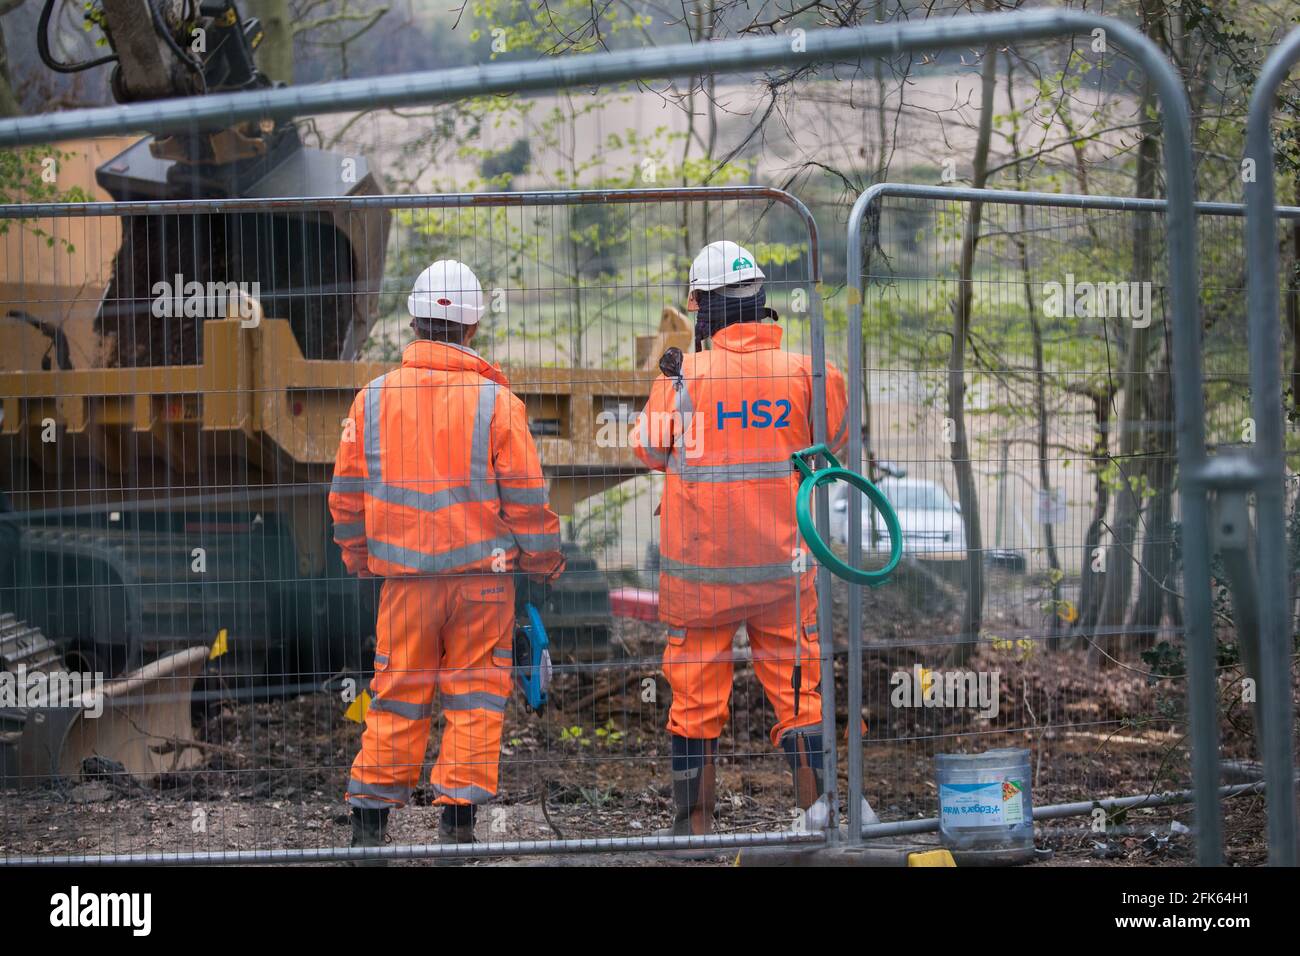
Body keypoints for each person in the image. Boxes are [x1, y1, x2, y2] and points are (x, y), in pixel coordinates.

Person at [632, 240, 871, 841]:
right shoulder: (808, 372)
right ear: (761, 304)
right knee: (801, 694)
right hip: (782, 576)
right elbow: (836, 441)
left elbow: (647, 450)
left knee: (693, 701)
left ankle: (693, 834)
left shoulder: (682, 374)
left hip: (699, 581)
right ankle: (822, 818)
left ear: (704, 308)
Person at [329, 259, 564, 855]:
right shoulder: (498, 404)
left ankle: (368, 830)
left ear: (412, 321)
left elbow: (346, 498)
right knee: (476, 697)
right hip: (484, 585)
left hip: (405, 583)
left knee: (397, 693)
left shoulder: (371, 400)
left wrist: (361, 562)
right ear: (473, 328)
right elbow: (529, 501)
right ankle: (457, 829)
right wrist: (542, 565)